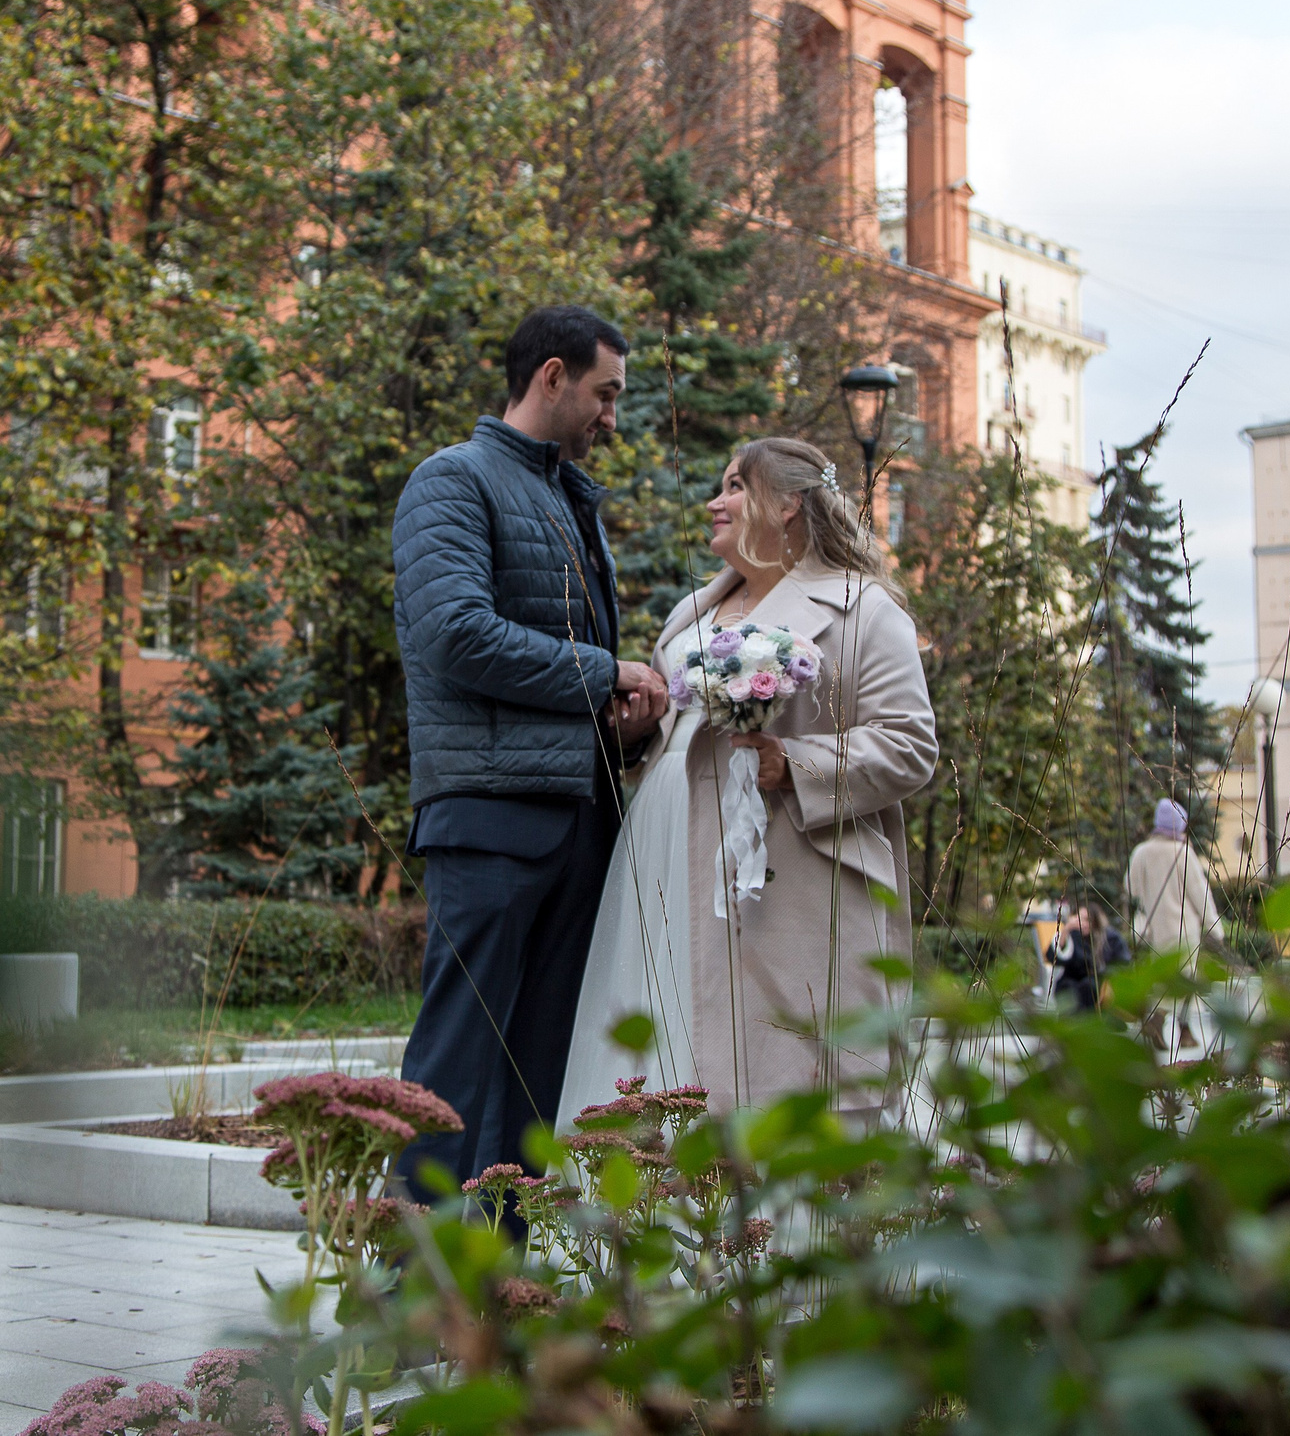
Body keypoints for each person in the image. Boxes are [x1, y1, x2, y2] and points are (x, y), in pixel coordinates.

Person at [557, 436, 938, 1121]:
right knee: (661, 1030)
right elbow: (676, 738)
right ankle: (655, 1205)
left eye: (735, 486)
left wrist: (795, 764)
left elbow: (911, 745)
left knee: (772, 1062)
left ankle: (771, 1220)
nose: (716, 502)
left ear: (789, 503)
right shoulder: (693, 612)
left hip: (785, 871)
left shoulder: (864, 608)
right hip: (665, 850)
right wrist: (638, 727)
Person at [390, 306, 669, 1196]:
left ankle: (500, 1298)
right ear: (552, 376)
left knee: (536, 1079)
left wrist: (618, 728)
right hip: (488, 821)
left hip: (576, 822)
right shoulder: (452, 481)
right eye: (605, 393)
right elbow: (456, 635)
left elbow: (555, 679)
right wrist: (603, 671)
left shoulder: (567, 500)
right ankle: (408, 1297)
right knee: (452, 1067)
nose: (611, 417)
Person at [1125, 798, 1221, 1052]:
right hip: (1182, 929)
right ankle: (1170, 1025)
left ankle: (1177, 1028)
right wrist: (1214, 927)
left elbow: (1130, 888)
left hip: (1152, 930)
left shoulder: (1141, 852)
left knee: (1162, 978)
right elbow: (1200, 894)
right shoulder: (1183, 853)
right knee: (1187, 981)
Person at [1043, 901, 1129, 1014]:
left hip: (1100, 983)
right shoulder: (1073, 936)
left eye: (1087, 920)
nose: (1083, 924)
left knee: (1089, 987)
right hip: (1072, 983)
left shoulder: (1111, 938)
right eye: (1079, 919)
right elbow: (1053, 957)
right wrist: (1066, 931)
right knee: (1067, 990)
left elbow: (1122, 962)